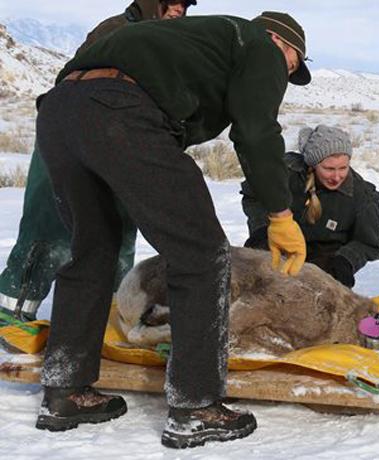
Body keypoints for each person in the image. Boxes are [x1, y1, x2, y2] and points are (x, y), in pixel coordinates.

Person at [33, 11, 310, 448]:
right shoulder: (260, 44)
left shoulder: (192, 39)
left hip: (59, 112)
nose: (287, 73)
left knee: (93, 250)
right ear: (283, 43)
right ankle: (196, 406)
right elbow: (256, 131)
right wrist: (280, 213)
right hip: (119, 110)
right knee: (200, 255)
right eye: (294, 65)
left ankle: (65, 391)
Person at [0, 0, 197, 324]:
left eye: (184, 4)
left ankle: (103, 323)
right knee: (48, 230)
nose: (178, 9)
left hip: (119, 144)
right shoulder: (115, 30)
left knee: (116, 234)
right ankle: (12, 312)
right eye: (171, 1)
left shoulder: (170, 43)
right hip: (68, 138)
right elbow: (77, 85)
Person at [243, 125, 379, 287]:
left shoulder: (362, 195)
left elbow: (370, 243)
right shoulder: (286, 173)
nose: (337, 176)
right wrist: (261, 230)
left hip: (326, 262)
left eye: (343, 168)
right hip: (278, 247)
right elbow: (253, 196)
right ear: (313, 164)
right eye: (329, 169)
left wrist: (346, 260)